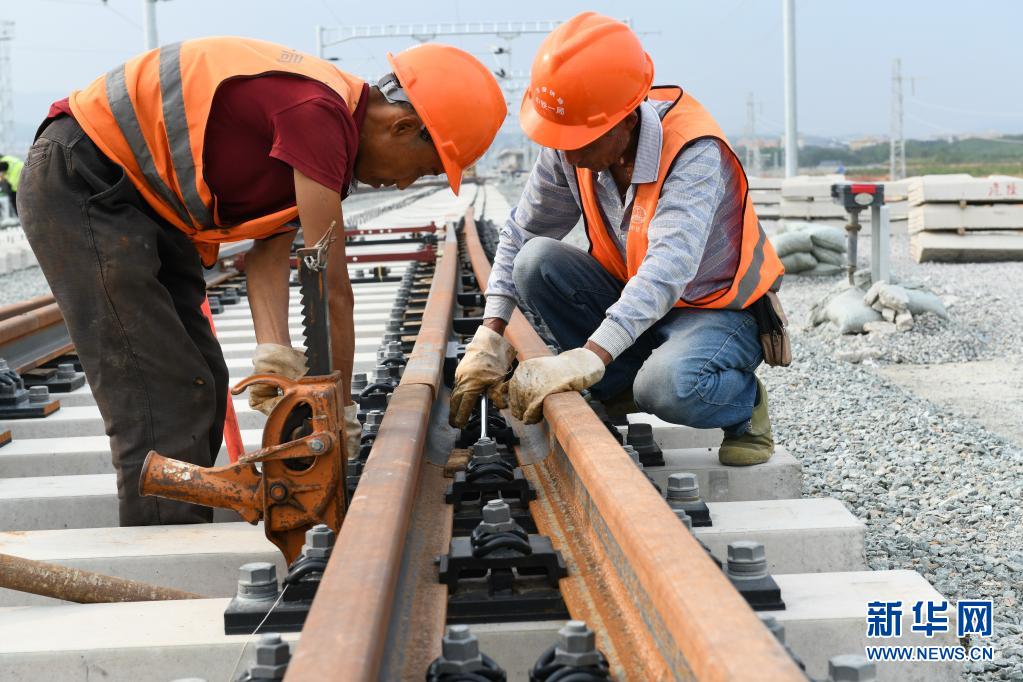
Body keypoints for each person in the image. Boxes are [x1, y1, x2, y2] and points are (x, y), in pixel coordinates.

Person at [18, 37, 505, 525]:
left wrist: (275, 359)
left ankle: (176, 526)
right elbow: (332, 290)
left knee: (202, 381)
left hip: (137, 200)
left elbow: (271, 251)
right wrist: (337, 413)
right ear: (402, 126)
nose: (402, 184)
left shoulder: (325, 121)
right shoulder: (319, 113)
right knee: (161, 393)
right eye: (420, 170)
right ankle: (160, 540)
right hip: (86, 180)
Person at [450, 13, 785, 466]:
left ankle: (744, 406)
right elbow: (523, 231)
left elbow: (668, 268)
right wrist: (490, 333)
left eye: (580, 141)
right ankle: (616, 383)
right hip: (637, 298)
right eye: (559, 138)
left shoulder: (692, 150)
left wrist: (587, 356)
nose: (568, 154)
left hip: (714, 307)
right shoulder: (569, 145)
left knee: (666, 387)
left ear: (627, 120)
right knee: (535, 260)